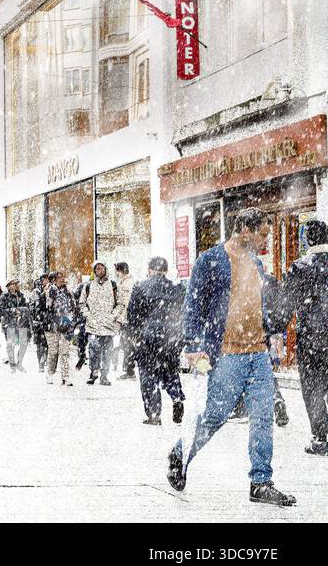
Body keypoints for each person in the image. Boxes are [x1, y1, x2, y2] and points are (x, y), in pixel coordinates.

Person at [168, 207, 297, 506]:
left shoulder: (256, 262)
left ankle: (261, 481)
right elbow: (193, 306)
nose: (265, 240)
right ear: (244, 230)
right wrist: (193, 346)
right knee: (215, 416)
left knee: (263, 416)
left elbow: (257, 302)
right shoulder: (210, 260)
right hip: (227, 355)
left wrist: (269, 331)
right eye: (262, 233)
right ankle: (182, 451)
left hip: (257, 353)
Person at [282, 218, 328, 455]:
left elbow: (286, 305)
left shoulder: (300, 267)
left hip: (312, 337)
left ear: (307, 240)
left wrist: (272, 328)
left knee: (312, 387)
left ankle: (321, 436)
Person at [126, 256, 186, 426]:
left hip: (147, 339)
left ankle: (154, 414)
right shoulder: (177, 288)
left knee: (148, 376)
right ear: (165, 271)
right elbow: (183, 314)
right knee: (171, 372)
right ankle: (176, 398)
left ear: (150, 269)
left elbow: (132, 315)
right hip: (170, 338)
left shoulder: (140, 287)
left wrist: (134, 335)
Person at [79, 262, 125, 386]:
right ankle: (94, 371)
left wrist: (113, 316)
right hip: (93, 325)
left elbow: (120, 303)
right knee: (93, 349)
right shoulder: (88, 285)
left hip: (108, 325)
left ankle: (104, 376)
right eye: (97, 268)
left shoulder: (113, 285)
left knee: (107, 352)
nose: (99, 270)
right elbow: (82, 303)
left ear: (105, 269)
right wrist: (88, 315)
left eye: (101, 268)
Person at [45, 272, 77, 386]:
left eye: (63, 277)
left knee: (65, 352)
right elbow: (47, 308)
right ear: (53, 280)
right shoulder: (50, 291)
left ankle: (66, 376)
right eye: (59, 278)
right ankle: (50, 373)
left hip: (66, 326)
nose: (62, 279)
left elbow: (74, 308)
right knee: (53, 351)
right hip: (52, 327)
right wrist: (51, 321)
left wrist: (71, 322)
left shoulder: (68, 292)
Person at [0, 279, 30, 372]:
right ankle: (12, 365)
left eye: (17, 284)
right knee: (10, 344)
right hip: (9, 323)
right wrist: (12, 310)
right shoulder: (4, 296)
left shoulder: (21, 295)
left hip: (21, 323)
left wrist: (21, 310)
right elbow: (0, 310)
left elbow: (27, 308)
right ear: (9, 286)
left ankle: (19, 363)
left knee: (24, 344)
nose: (17, 286)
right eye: (15, 284)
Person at [114, 262, 138, 379]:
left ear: (121, 271)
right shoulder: (125, 282)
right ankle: (129, 368)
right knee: (126, 344)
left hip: (128, 320)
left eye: (117, 271)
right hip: (127, 319)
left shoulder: (127, 284)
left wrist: (121, 319)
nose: (116, 273)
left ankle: (130, 370)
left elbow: (125, 304)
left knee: (127, 344)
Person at [29, 277, 51, 372]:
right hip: (38, 321)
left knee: (47, 343)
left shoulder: (51, 289)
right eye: (46, 279)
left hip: (47, 321)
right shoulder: (36, 291)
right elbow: (36, 307)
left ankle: (45, 360)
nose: (47, 281)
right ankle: (41, 363)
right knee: (40, 344)